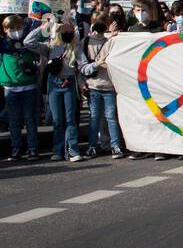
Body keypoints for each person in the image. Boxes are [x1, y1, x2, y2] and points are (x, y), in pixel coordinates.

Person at [25, 17, 82, 162]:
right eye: (64, 29)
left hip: (69, 83)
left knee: (70, 119)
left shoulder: (75, 47)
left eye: (70, 29)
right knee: (57, 120)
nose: (67, 31)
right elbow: (28, 42)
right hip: (54, 84)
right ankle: (58, 150)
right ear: (58, 31)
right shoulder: (49, 47)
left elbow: (83, 65)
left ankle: (73, 150)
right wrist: (44, 27)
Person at [78, 12, 125, 159]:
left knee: (111, 117)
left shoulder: (112, 39)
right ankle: (92, 146)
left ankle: (115, 145)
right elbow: (80, 66)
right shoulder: (85, 42)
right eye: (96, 21)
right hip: (93, 86)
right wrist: (82, 82)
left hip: (109, 86)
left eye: (103, 22)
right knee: (95, 117)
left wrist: (113, 35)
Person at [1, 14, 41, 161]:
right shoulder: (2, 44)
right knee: (14, 121)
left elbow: (39, 31)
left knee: (30, 120)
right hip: (10, 88)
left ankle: (32, 149)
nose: (16, 30)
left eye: (19, 27)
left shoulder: (28, 41)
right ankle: (16, 149)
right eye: (12, 28)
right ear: (5, 29)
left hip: (29, 86)